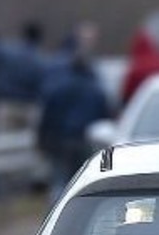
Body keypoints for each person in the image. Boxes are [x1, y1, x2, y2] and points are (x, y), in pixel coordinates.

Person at [36, 54, 111, 201]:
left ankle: (55, 214)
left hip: (61, 139)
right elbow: (104, 119)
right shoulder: (95, 91)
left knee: (60, 180)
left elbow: (48, 115)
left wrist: (42, 138)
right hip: (85, 140)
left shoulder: (58, 88)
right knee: (82, 180)